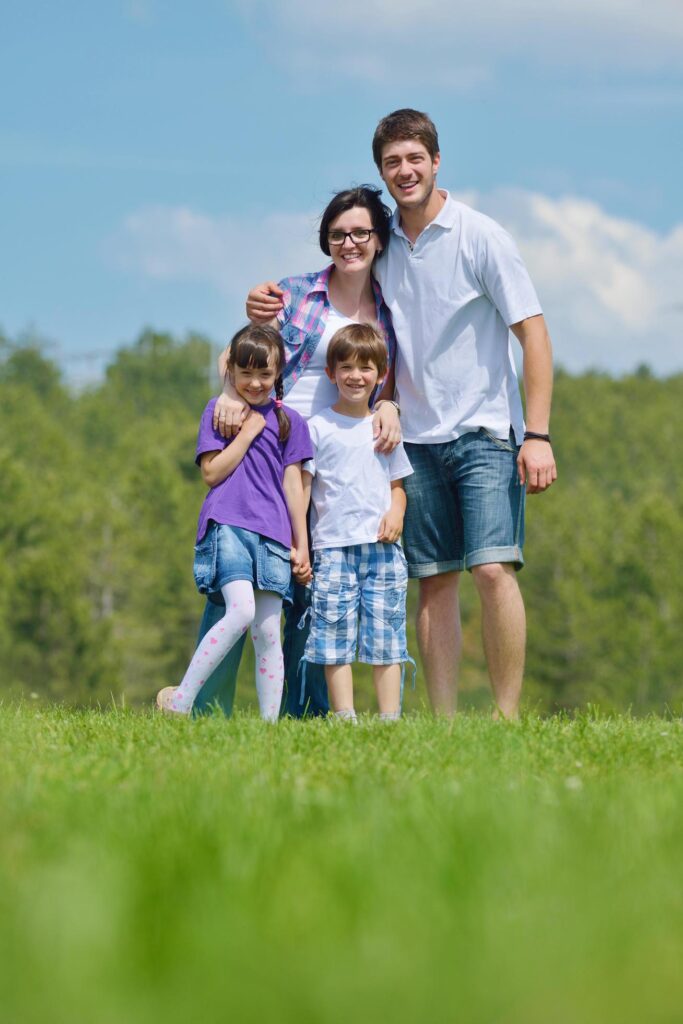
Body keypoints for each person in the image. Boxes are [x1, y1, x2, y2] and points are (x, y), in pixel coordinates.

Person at [247, 109, 558, 719]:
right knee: (434, 581)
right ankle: (442, 724)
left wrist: (539, 434)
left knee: (493, 571)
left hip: (485, 431)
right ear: (382, 172)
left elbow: (535, 335)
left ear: (437, 161)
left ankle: (506, 716)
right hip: (409, 440)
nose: (405, 170)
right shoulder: (384, 248)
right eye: (393, 162)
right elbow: (335, 274)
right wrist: (268, 298)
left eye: (415, 158)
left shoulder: (480, 236)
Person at [194, 186, 402, 718]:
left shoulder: (391, 306)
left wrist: (390, 406)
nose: (349, 242)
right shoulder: (294, 294)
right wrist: (227, 393)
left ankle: (299, 713)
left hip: (340, 462)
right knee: (240, 585)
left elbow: (393, 380)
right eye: (338, 234)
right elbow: (240, 351)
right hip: (272, 454)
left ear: (379, 238)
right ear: (325, 240)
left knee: (312, 592)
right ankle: (207, 705)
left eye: (360, 232)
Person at [156, 324, 312, 718]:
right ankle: (181, 701)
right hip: (229, 525)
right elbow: (211, 473)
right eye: (246, 374)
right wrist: (245, 435)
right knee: (240, 612)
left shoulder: (292, 422)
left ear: (278, 373)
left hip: (275, 536)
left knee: (267, 632)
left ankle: (269, 728)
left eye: (265, 374)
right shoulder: (219, 412)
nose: (256, 383)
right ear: (232, 373)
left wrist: (301, 542)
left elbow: (294, 485)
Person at [302, 323, 414, 722]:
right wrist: (301, 545)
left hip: (383, 549)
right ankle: (344, 715)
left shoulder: (383, 428)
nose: (355, 376)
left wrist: (396, 513)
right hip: (332, 548)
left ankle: (389, 718)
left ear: (381, 375)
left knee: (386, 635)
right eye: (346, 367)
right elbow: (304, 491)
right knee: (333, 634)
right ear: (330, 373)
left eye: (366, 368)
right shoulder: (317, 427)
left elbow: (398, 486)